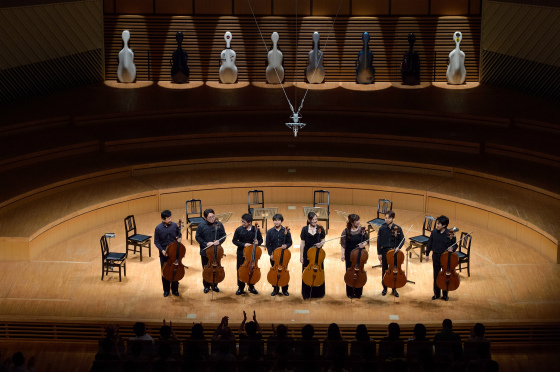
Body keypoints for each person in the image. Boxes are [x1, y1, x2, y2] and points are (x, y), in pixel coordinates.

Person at [425, 215, 457, 301]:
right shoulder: (434, 232)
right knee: (436, 276)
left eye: (439, 224)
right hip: (435, 256)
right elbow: (429, 243)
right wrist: (427, 254)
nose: (437, 225)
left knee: (445, 276)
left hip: (446, 257)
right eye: (437, 223)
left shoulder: (450, 234)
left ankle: (445, 295)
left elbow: (455, 245)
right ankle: (436, 294)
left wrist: (452, 249)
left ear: (444, 225)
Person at [195, 209, 226, 293]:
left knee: (216, 268)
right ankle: (206, 286)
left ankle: (215, 285)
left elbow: (223, 236)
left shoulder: (219, 224)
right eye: (209, 217)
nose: (212, 219)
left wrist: (219, 241)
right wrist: (206, 243)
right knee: (206, 269)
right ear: (205, 218)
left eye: (213, 216)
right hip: (205, 252)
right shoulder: (201, 226)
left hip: (216, 251)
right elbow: (197, 237)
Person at [232, 213, 263, 295]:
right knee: (240, 270)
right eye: (242, 221)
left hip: (252, 255)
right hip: (241, 254)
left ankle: (251, 286)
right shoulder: (239, 230)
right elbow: (234, 241)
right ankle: (240, 287)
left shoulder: (256, 230)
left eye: (244, 222)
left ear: (249, 222)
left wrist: (258, 242)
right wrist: (243, 244)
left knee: (252, 269)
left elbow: (261, 240)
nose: (242, 223)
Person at [154, 210, 182, 297]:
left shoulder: (174, 225)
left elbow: (179, 234)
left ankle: (175, 290)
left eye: (171, 217)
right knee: (165, 272)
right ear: (164, 219)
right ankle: (166, 290)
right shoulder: (158, 228)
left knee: (175, 270)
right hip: (164, 254)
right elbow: (156, 242)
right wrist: (162, 250)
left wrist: (179, 238)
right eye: (169, 218)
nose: (171, 219)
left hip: (174, 252)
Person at [340, 214, 369, 299]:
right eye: (356, 221)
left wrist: (363, 244)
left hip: (360, 256)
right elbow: (343, 244)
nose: (358, 222)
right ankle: (350, 292)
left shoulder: (362, 230)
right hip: (350, 256)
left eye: (358, 220)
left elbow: (367, 241)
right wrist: (342, 255)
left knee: (359, 273)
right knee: (350, 274)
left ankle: (358, 292)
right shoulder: (346, 231)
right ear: (352, 222)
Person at [377, 211, 404, 297]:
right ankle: (384, 288)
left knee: (394, 271)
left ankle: (394, 289)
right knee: (385, 271)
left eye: (388, 218)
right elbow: (378, 242)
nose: (387, 220)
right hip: (385, 252)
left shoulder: (398, 229)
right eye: (385, 218)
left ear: (393, 218)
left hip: (394, 253)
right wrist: (379, 253)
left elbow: (402, 240)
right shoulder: (382, 228)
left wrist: (398, 247)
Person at [300, 212, 326, 299]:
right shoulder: (304, 229)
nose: (315, 221)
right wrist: (301, 256)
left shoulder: (320, 228)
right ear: (308, 220)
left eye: (316, 219)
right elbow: (302, 243)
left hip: (318, 254)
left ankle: (317, 293)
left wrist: (321, 244)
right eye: (313, 220)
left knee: (318, 272)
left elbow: (323, 240)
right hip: (307, 254)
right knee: (306, 273)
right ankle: (306, 293)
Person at [266, 213, 293, 296]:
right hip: (274, 256)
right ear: (273, 221)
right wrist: (271, 254)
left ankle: (285, 289)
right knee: (274, 273)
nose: (277, 222)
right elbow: (268, 244)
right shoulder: (270, 232)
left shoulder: (286, 231)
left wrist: (286, 245)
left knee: (284, 273)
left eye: (278, 220)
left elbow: (290, 242)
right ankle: (275, 289)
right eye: (275, 220)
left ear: (281, 221)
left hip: (284, 256)